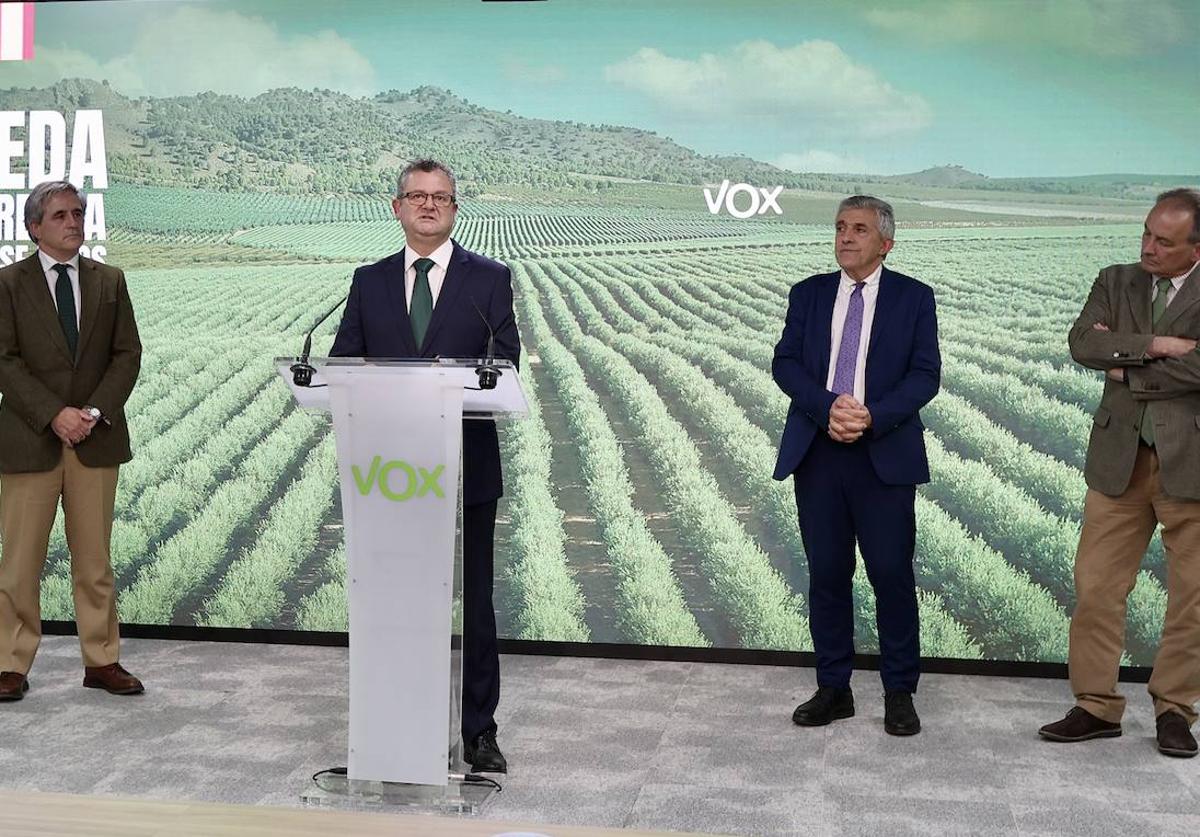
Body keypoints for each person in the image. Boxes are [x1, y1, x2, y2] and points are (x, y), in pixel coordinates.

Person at [330, 159, 519, 773]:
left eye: (441, 197)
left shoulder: (489, 280)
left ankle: (479, 732)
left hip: (465, 466)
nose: (429, 205)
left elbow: (505, 362)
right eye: (417, 196)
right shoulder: (369, 280)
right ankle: (394, 721)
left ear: (455, 209)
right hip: (387, 474)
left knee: (476, 601)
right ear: (397, 208)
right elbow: (343, 366)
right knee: (393, 598)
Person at [1040, 188, 1200, 759]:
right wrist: (1159, 344)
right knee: (1096, 588)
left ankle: (1176, 710)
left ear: (1196, 248)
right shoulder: (1116, 279)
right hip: (1118, 462)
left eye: (1165, 241)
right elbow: (1083, 344)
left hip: (1192, 465)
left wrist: (1125, 369)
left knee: (1193, 599)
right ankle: (1096, 706)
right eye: (1147, 234)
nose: (1149, 247)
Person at [772, 195, 940, 735]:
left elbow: (924, 375)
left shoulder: (915, 298)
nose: (845, 236)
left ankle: (898, 690)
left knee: (890, 574)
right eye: (841, 227)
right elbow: (786, 362)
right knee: (827, 574)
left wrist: (870, 416)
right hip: (819, 452)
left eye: (859, 229)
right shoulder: (809, 293)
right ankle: (833, 687)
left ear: (885, 242)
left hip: (882, 454)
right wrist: (827, 408)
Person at [0, 180, 143, 701]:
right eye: (60, 215)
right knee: (19, 562)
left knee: (94, 561)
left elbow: (127, 354)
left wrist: (92, 412)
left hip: (94, 438)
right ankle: (10, 664)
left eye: (78, 213)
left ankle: (101, 660)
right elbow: (4, 361)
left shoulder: (110, 280)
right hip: (30, 440)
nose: (74, 223)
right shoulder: (8, 284)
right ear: (34, 226)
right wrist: (53, 414)